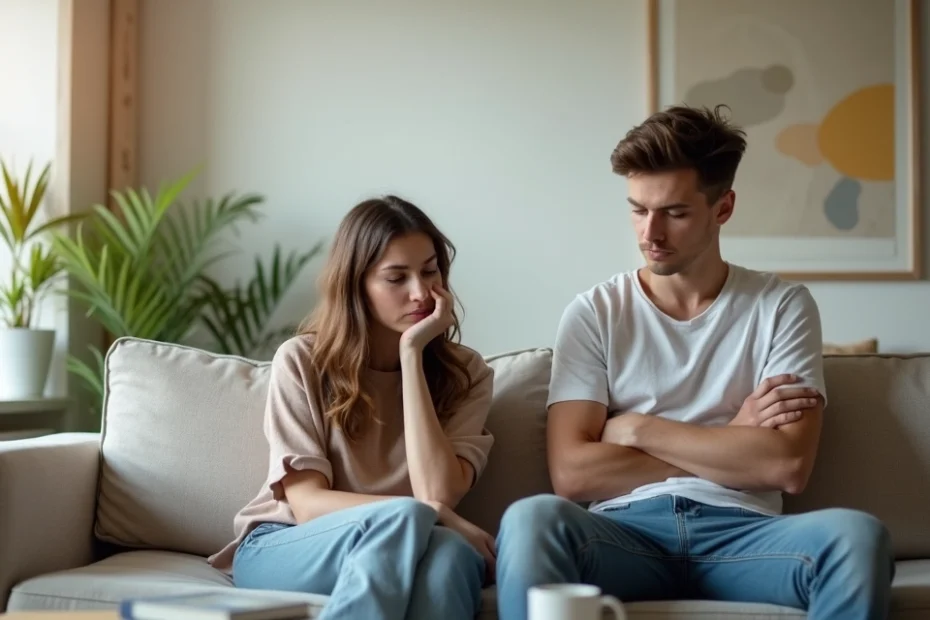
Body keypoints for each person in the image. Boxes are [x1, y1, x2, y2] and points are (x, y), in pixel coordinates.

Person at [495, 105, 894, 620]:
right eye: (638, 209)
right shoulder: (594, 312)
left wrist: (636, 428)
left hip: (746, 535)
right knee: (532, 519)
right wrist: (733, 435)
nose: (650, 234)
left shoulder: (782, 306)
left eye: (675, 213)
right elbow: (572, 474)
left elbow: (785, 465)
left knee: (857, 536)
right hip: (622, 535)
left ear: (722, 208)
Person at [208, 195, 497, 620]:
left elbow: (437, 491)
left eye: (430, 270)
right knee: (409, 524)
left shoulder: (466, 374)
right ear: (356, 285)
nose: (420, 293)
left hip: (414, 537)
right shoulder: (302, 360)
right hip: (290, 542)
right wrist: (422, 513)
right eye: (396, 277)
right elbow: (306, 503)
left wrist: (411, 355)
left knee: (451, 556)